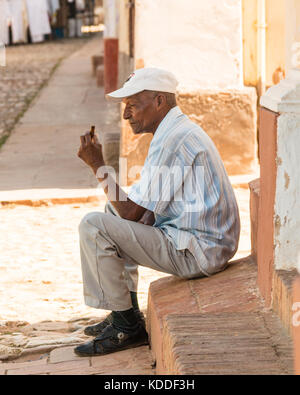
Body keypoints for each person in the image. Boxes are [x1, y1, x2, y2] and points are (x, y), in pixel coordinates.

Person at [74, 67, 240, 357]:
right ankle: (123, 314)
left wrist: (98, 165)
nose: (126, 115)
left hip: (199, 251)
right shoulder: (173, 131)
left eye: (133, 106)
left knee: (95, 225)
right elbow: (136, 208)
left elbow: (131, 213)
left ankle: (127, 327)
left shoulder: (174, 139)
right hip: (197, 241)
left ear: (160, 101)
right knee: (108, 214)